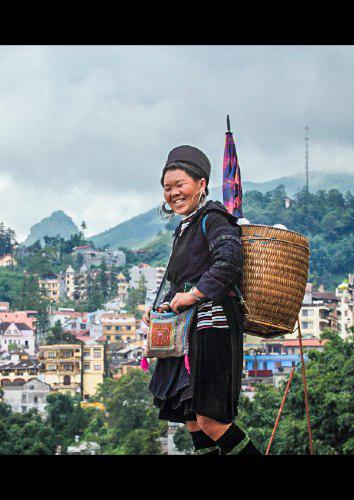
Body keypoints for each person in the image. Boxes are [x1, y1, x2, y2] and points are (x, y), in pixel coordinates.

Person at [143, 144, 261, 455]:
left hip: (213, 326)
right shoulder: (185, 229)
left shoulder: (214, 219)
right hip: (189, 330)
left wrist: (193, 295)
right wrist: (162, 308)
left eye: (179, 184)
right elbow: (182, 282)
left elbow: (230, 262)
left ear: (201, 184)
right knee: (192, 418)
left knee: (210, 418)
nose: (173, 193)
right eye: (167, 188)